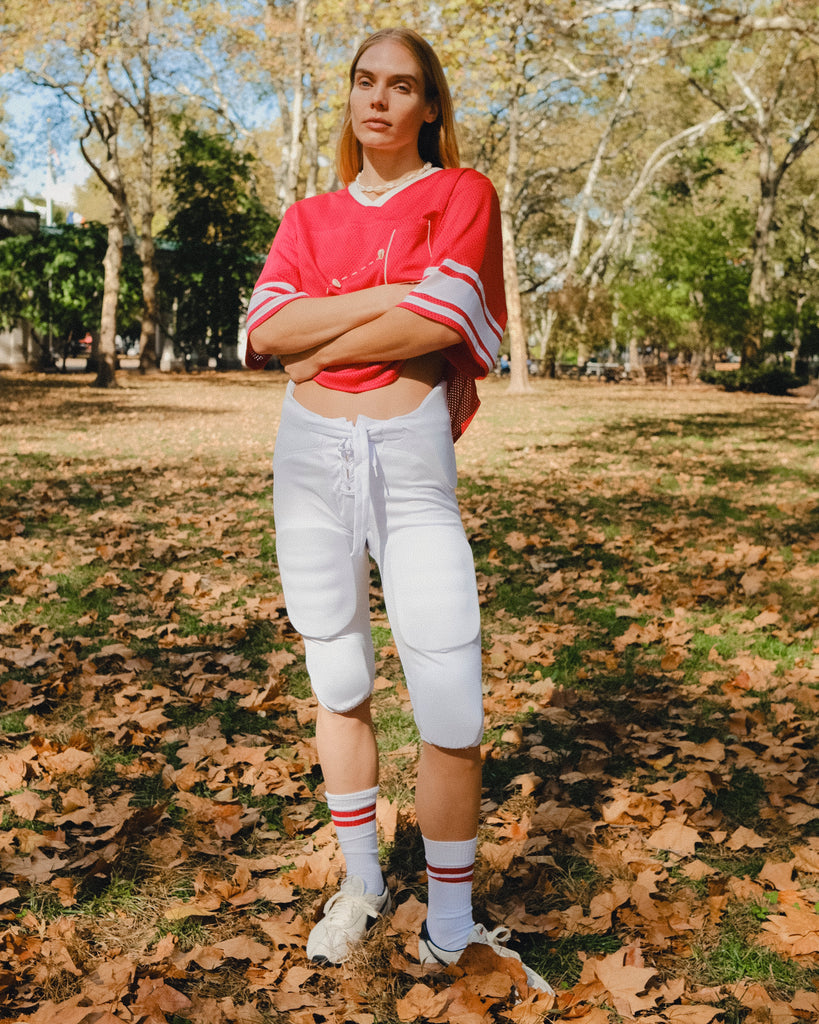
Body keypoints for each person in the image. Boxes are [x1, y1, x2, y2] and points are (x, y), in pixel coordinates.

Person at [245, 27, 552, 995]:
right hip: (310, 453)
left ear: (431, 106)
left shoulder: (464, 195)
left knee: (450, 691)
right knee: (336, 669)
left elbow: (446, 317)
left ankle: (451, 924)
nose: (378, 100)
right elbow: (264, 331)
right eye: (364, 82)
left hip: (409, 455)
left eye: (402, 85)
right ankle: (365, 886)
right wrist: (387, 297)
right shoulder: (306, 213)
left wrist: (323, 328)